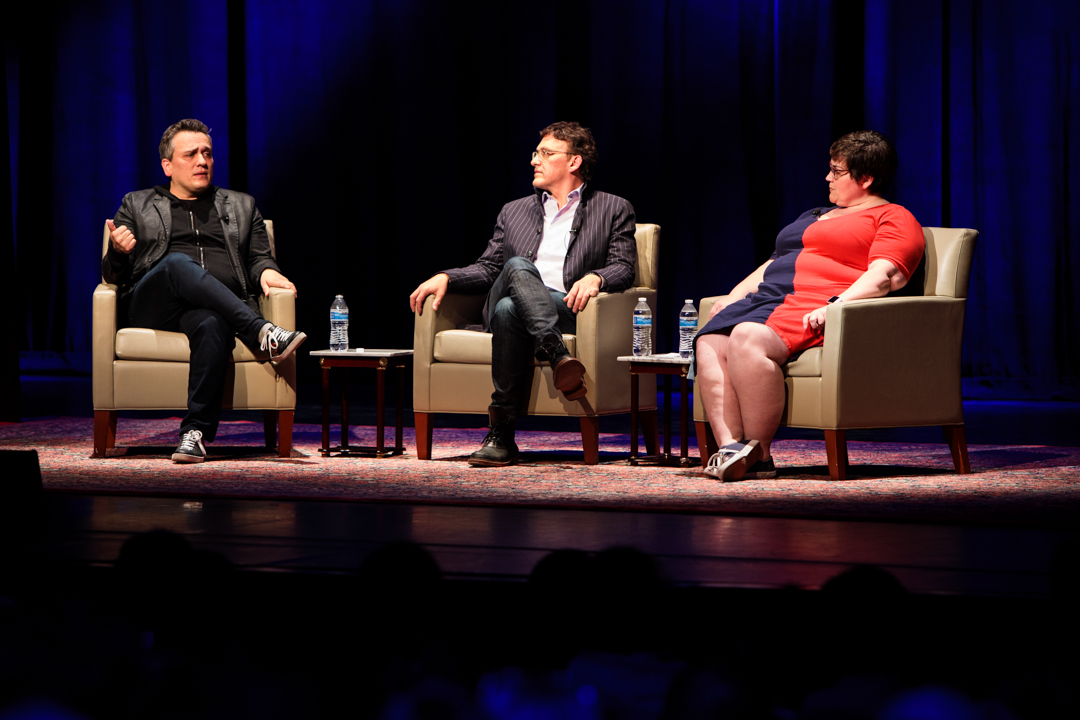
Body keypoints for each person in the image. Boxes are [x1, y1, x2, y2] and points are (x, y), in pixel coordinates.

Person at [695, 130, 924, 481]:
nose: (827, 178)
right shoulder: (815, 214)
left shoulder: (892, 217)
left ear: (866, 178)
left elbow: (885, 276)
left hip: (811, 304)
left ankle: (759, 454)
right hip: (771, 298)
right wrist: (735, 294)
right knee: (709, 341)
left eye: (837, 171)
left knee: (747, 337)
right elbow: (774, 262)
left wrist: (837, 304)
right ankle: (730, 450)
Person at [409, 121, 637, 467]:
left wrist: (597, 277)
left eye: (546, 153)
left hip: (564, 306)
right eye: (536, 153)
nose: (535, 160)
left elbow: (624, 266)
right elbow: (488, 268)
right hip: (538, 308)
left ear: (574, 162)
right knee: (516, 266)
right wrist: (447, 277)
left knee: (506, 310)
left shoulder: (613, 208)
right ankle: (557, 353)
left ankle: (501, 434)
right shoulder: (513, 210)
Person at [103, 119, 306, 464]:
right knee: (177, 263)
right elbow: (112, 276)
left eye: (207, 153)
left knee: (213, 323)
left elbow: (259, 258)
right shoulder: (136, 204)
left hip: (216, 310)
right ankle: (261, 331)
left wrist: (269, 272)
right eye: (192, 154)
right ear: (167, 165)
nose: (203, 161)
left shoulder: (241, 206)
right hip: (154, 306)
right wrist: (119, 253)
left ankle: (194, 434)